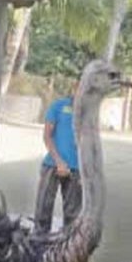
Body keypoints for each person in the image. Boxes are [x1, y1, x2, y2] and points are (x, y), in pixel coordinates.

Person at [34, 84, 82, 234]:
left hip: (76, 169)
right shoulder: (58, 106)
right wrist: (59, 161)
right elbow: (47, 136)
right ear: (74, 88)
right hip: (51, 165)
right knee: (43, 208)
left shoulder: (87, 114)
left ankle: (67, 248)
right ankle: (39, 241)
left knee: (72, 214)